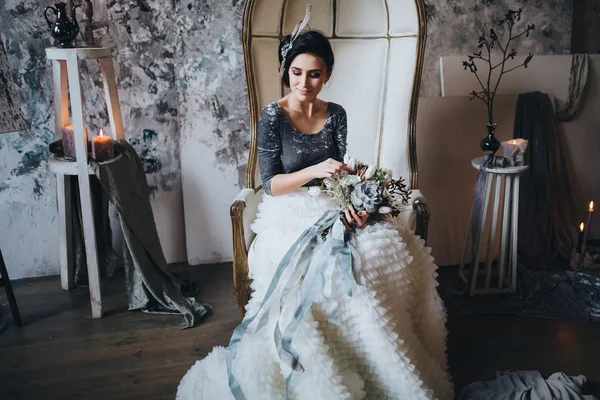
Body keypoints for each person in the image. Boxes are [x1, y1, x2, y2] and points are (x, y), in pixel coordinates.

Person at [177, 27, 453, 400]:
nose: (304, 82)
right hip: (288, 206)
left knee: (382, 248)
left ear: (327, 75)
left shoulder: (336, 114)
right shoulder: (274, 115)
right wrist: (314, 169)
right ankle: (324, 372)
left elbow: (339, 173)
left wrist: (355, 205)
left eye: (314, 74)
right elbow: (271, 183)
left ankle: (377, 360)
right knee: (310, 268)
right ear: (286, 70)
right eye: (296, 72)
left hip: (330, 201)